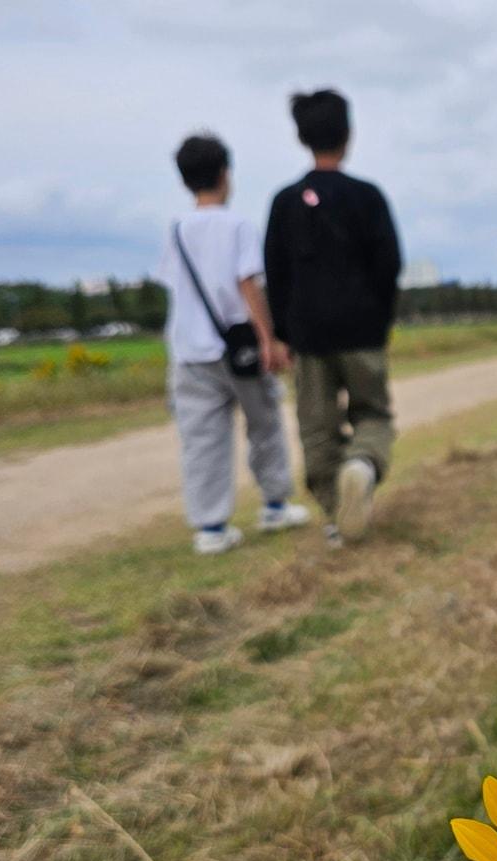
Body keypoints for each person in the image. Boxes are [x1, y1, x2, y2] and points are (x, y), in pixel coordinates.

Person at [156, 133, 310, 555]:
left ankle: (210, 526)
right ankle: (275, 504)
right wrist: (269, 339)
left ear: (185, 180)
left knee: (202, 439)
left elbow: (174, 285)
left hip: (189, 351)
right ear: (226, 174)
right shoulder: (238, 225)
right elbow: (248, 283)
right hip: (239, 348)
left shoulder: (175, 231)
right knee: (265, 426)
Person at [264, 88, 403, 545]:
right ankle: (362, 466)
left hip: (307, 334)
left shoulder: (285, 203)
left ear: (302, 137)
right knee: (373, 414)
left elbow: (276, 274)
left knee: (317, 427)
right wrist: (380, 322)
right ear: (349, 135)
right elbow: (389, 265)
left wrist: (280, 334)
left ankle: (333, 519)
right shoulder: (367, 197)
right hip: (362, 328)